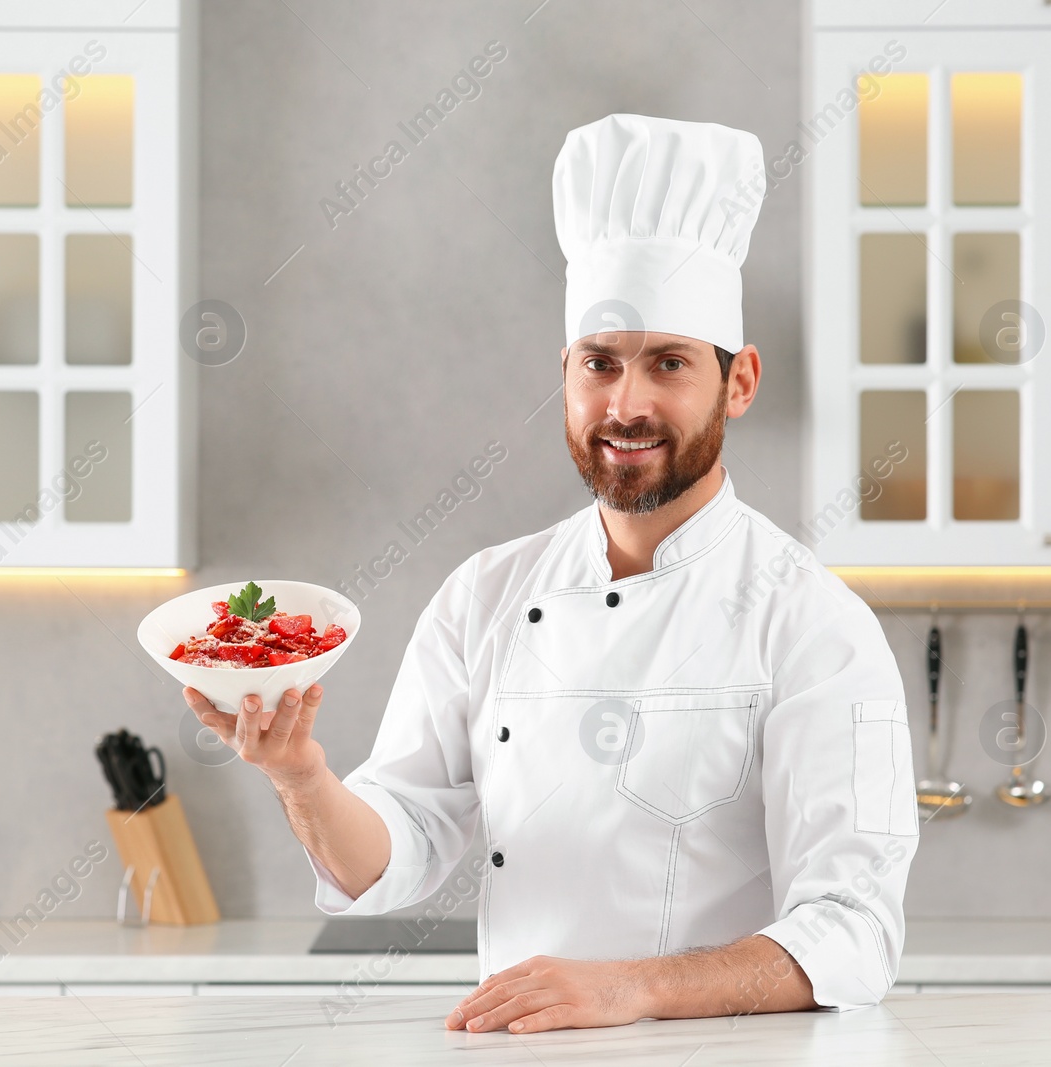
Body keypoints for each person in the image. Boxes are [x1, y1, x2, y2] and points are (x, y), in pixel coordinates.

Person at [183, 113, 918, 1035]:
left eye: (670, 363)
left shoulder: (813, 621)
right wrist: (299, 777)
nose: (628, 402)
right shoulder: (486, 595)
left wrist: (627, 987)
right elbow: (393, 848)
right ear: (564, 375)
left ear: (740, 382)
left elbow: (853, 931)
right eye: (600, 364)